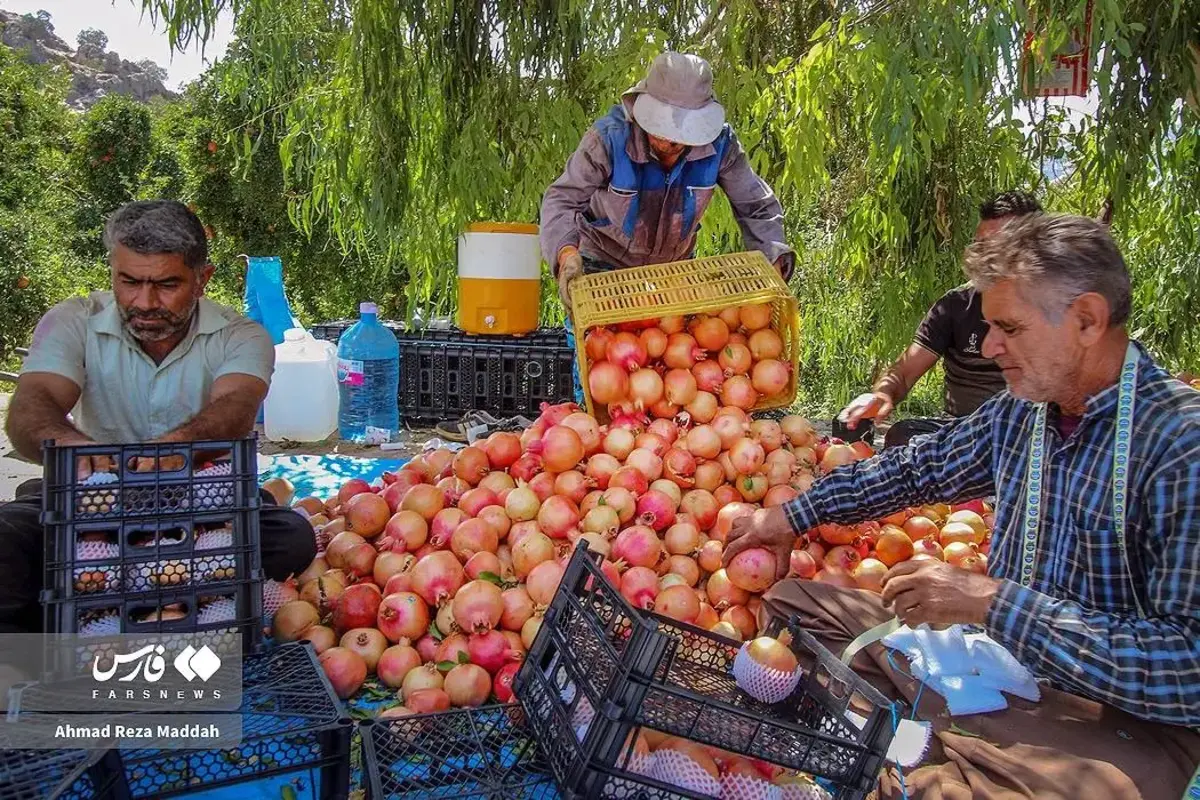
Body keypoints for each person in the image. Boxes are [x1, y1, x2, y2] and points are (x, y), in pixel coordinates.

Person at [725, 213, 1200, 799]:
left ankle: (929, 761)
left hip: (1106, 723)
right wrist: (789, 516)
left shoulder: (1181, 445)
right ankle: (937, 755)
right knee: (794, 603)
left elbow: (1189, 672)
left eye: (1009, 328)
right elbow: (915, 469)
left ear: (1087, 319)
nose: (990, 347)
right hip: (995, 667)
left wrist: (994, 604)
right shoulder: (1024, 412)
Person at [0, 200, 316, 635]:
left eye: (167, 284)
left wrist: (177, 449)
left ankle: (117, 607)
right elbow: (31, 405)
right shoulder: (73, 321)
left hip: (200, 500)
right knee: (7, 538)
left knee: (291, 538)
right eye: (129, 281)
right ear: (113, 270)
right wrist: (74, 447)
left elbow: (236, 408)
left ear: (203, 279)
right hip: (90, 501)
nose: (145, 302)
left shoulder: (241, 336)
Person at [839, 191, 1042, 448]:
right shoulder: (956, 305)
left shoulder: (1057, 307)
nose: (983, 259)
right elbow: (904, 372)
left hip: (1030, 435)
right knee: (904, 435)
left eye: (998, 249)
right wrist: (883, 394)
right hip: (963, 433)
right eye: (979, 247)